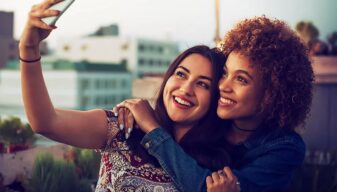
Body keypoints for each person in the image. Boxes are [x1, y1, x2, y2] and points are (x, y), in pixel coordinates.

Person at [18, 0, 235, 191]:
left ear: (216, 96)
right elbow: (45, 122)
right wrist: (29, 49)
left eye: (202, 84)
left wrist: (153, 128)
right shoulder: (123, 127)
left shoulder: (217, 169)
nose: (186, 89)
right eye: (181, 74)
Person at [116, 16, 314, 192]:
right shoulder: (214, 119)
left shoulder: (284, 148)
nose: (222, 86)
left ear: (270, 94)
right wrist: (135, 112)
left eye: (241, 80)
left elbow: (205, 188)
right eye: (225, 73)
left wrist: (153, 129)